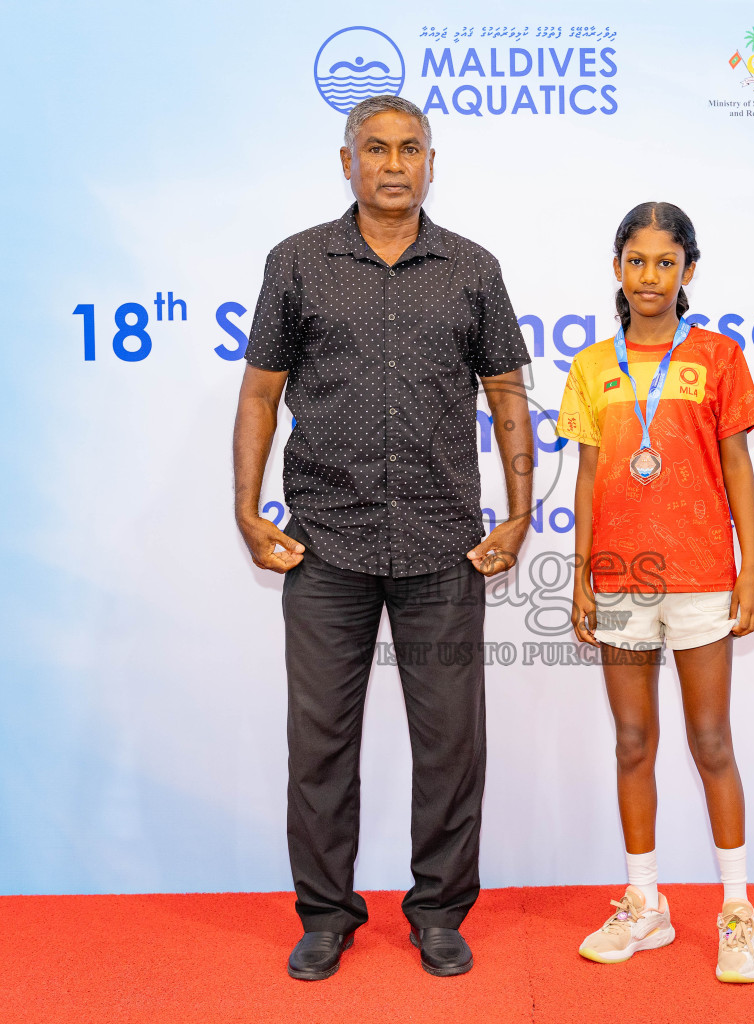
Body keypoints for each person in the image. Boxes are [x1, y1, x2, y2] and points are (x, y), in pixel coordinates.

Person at [232, 94, 533, 981]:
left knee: (451, 745)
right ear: (346, 160)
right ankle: (326, 915)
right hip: (326, 543)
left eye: (411, 149)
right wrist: (247, 510)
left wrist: (517, 512)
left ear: (432, 162)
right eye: (377, 148)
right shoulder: (296, 265)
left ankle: (440, 911)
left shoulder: (472, 268)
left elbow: (508, 395)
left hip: (445, 545)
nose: (394, 164)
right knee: (320, 744)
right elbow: (259, 393)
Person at [556, 202, 754, 983]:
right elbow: (587, 477)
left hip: (703, 577)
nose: (651, 277)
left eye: (666, 263)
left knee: (711, 741)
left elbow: (738, 466)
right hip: (619, 581)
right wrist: (581, 575)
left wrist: (751, 567)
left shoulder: (717, 357)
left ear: (689, 272)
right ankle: (645, 905)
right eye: (637, 261)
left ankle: (738, 910)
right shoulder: (591, 366)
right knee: (632, 742)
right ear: (618, 268)